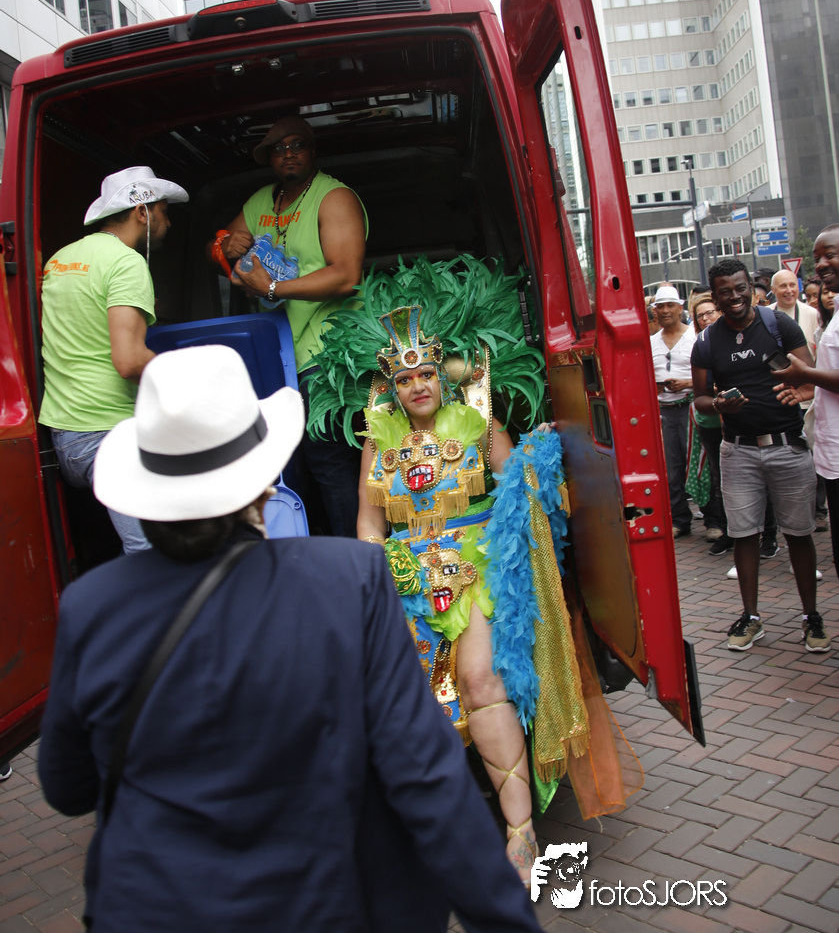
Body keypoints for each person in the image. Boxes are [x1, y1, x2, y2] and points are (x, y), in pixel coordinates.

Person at [38, 345, 563, 933]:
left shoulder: (91, 605)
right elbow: (424, 777)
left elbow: (69, 787)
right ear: (265, 482)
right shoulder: (348, 580)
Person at [307, 256, 641, 866]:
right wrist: (377, 573)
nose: (418, 386)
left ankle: (520, 830)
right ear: (391, 387)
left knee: (481, 680)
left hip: (478, 568)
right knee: (409, 699)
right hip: (409, 576)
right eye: (405, 379)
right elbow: (368, 521)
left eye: (426, 374)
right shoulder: (376, 439)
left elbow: (517, 491)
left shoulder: (479, 421)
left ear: (442, 375)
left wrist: (539, 456)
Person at [209, 116, 367, 537]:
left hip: (330, 352)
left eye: (297, 145)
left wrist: (273, 287)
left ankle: (353, 557)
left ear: (313, 150)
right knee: (288, 462)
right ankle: (309, 552)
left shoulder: (333, 197)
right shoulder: (263, 200)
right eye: (278, 149)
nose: (288, 154)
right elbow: (218, 249)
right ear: (269, 159)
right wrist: (224, 244)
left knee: (329, 459)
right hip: (279, 355)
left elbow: (347, 276)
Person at [39, 167, 188, 553]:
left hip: (67, 437)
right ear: (142, 212)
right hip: (109, 434)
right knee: (152, 554)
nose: (168, 222)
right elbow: (129, 361)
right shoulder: (126, 262)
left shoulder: (60, 259)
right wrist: (186, 379)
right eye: (164, 212)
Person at [691, 258, 831, 653]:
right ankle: (751, 617)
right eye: (725, 292)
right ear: (714, 295)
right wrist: (719, 404)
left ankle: (811, 616)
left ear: (751, 289)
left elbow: (809, 376)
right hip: (738, 451)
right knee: (743, 535)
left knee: (799, 534)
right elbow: (700, 399)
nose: (735, 297)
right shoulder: (707, 342)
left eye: (741, 288)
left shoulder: (778, 325)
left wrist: (801, 392)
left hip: (788, 446)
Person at [773, 224, 839, 603]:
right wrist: (809, 388)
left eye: (830, 255)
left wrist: (807, 374)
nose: (822, 264)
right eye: (817, 258)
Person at [649, 285, 695, 538]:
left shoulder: (695, 337)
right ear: (654, 310)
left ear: (680, 308)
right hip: (663, 411)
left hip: (691, 408)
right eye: (660, 306)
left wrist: (687, 383)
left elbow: (708, 375)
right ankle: (679, 519)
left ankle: (714, 519)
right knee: (671, 469)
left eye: (670, 305)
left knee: (697, 464)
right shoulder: (650, 342)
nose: (665, 311)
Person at [689, 295, 730, 552]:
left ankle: (766, 534)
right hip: (709, 421)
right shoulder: (700, 345)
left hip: (738, 420)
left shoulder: (732, 340)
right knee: (718, 477)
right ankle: (726, 530)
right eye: (700, 315)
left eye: (710, 312)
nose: (706, 318)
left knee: (750, 476)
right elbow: (699, 390)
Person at [771, 269, 819, 358]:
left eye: (792, 285)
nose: (789, 290)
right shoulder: (765, 314)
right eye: (783, 286)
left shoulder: (812, 313)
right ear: (773, 289)